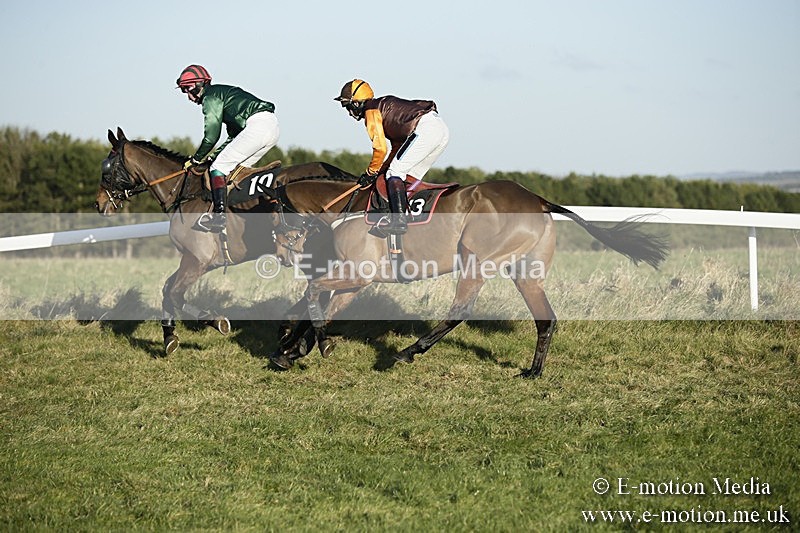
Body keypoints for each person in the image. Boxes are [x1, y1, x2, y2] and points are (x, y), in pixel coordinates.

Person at [334, 79, 449, 234]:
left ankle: (399, 221)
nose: (348, 112)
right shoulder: (385, 110)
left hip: (426, 130)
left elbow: (380, 148)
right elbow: (396, 150)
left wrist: (371, 173)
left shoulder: (371, 111)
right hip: (440, 130)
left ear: (356, 103)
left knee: (395, 173)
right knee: (407, 176)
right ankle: (411, 217)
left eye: (347, 106)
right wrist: (381, 170)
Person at [176, 64, 279, 233]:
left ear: (201, 84)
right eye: (184, 91)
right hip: (271, 127)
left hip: (258, 127)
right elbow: (233, 138)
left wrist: (196, 159)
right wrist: (213, 155)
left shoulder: (210, 98)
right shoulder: (223, 95)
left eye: (189, 89)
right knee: (235, 172)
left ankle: (219, 218)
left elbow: (211, 137)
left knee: (218, 169)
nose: (188, 96)